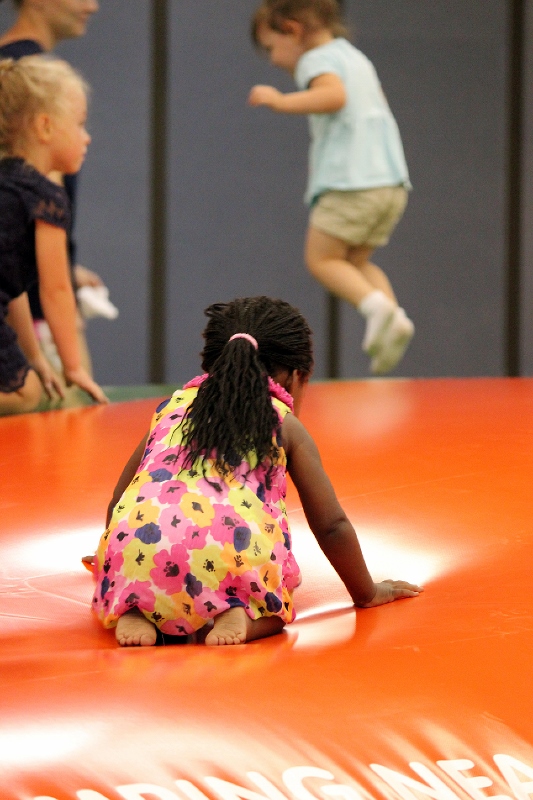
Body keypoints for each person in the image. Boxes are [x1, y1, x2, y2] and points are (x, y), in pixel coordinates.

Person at [89, 296, 422, 647]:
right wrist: (367, 592)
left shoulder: (172, 406)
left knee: (143, 567)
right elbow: (331, 525)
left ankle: (136, 610)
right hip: (227, 557)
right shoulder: (282, 422)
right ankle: (239, 614)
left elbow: (119, 500)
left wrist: (115, 559)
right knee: (273, 608)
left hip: (135, 550)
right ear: (296, 376)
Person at [249, 0, 414, 375]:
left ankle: (375, 308)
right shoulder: (354, 57)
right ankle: (393, 319)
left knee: (321, 259)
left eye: (272, 47)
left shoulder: (316, 60)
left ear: (292, 29)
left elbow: (333, 96)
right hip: (388, 182)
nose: (274, 61)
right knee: (355, 263)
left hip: (351, 182)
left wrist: (281, 101)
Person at [0, 0, 112, 385]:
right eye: (79, 124)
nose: (93, 6)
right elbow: (54, 286)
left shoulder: (15, 76)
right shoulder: (43, 189)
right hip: (36, 318)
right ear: (44, 127)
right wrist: (72, 366)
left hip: (23, 308)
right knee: (45, 401)